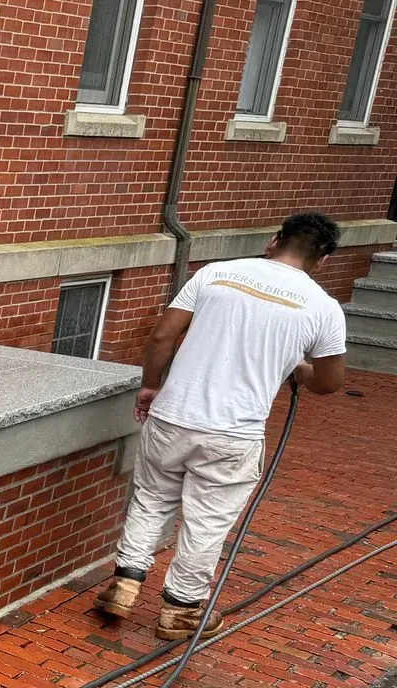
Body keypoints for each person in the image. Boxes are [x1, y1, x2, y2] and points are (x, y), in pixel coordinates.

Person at [95, 211, 348, 639]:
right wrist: (299, 369)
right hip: (233, 432)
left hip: (174, 414)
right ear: (321, 261)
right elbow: (330, 382)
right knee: (207, 520)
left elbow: (162, 337)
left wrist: (150, 387)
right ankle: (180, 610)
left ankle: (124, 583)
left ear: (274, 240)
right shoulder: (323, 308)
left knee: (152, 498)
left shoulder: (217, 273)